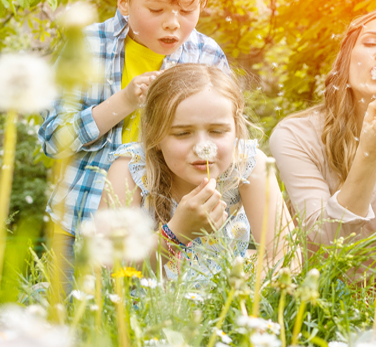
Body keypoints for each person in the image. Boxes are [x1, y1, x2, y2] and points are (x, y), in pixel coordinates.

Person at [39, 0, 231, 238]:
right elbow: (53, 140)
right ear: (124, 1)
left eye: (186, 10)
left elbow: (225, 141)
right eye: (156, 10)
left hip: (172, 228)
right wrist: (124, 102)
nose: (173, 22)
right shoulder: (88, 46)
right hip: (82, 222)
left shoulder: (205, 55)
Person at [269, 8, 376, 297]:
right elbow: (325, 240)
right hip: (312, 300)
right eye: (371, 43)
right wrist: (369, 155)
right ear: (346, 59)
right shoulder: (295, 135)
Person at [101, 64, 294, 278]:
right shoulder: (131, 170)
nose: (202, 147)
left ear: (236, 128)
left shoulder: (247, 164)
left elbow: (287, 259)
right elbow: (105, 271)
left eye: (217, 131)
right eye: (183, 133)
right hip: (151, 306)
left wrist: (224, 294)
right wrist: (176, 234)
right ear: (154, 133)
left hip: (228, 302)